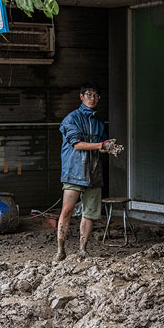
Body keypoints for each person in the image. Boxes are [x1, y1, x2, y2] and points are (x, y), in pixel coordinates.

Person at [54, 81, 109, 262]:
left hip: (93, 173)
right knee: (67, 210)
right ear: (81, 96)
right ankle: (60, 250)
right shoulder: (71, 119)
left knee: (90, 214)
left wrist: (109, 148)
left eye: (95, 95)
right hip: (74, 172)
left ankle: (82, 249)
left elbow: (100, 147)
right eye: (89, 94)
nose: (92, 98)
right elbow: (77, 145)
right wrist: (101, 145)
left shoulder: (99, 122)